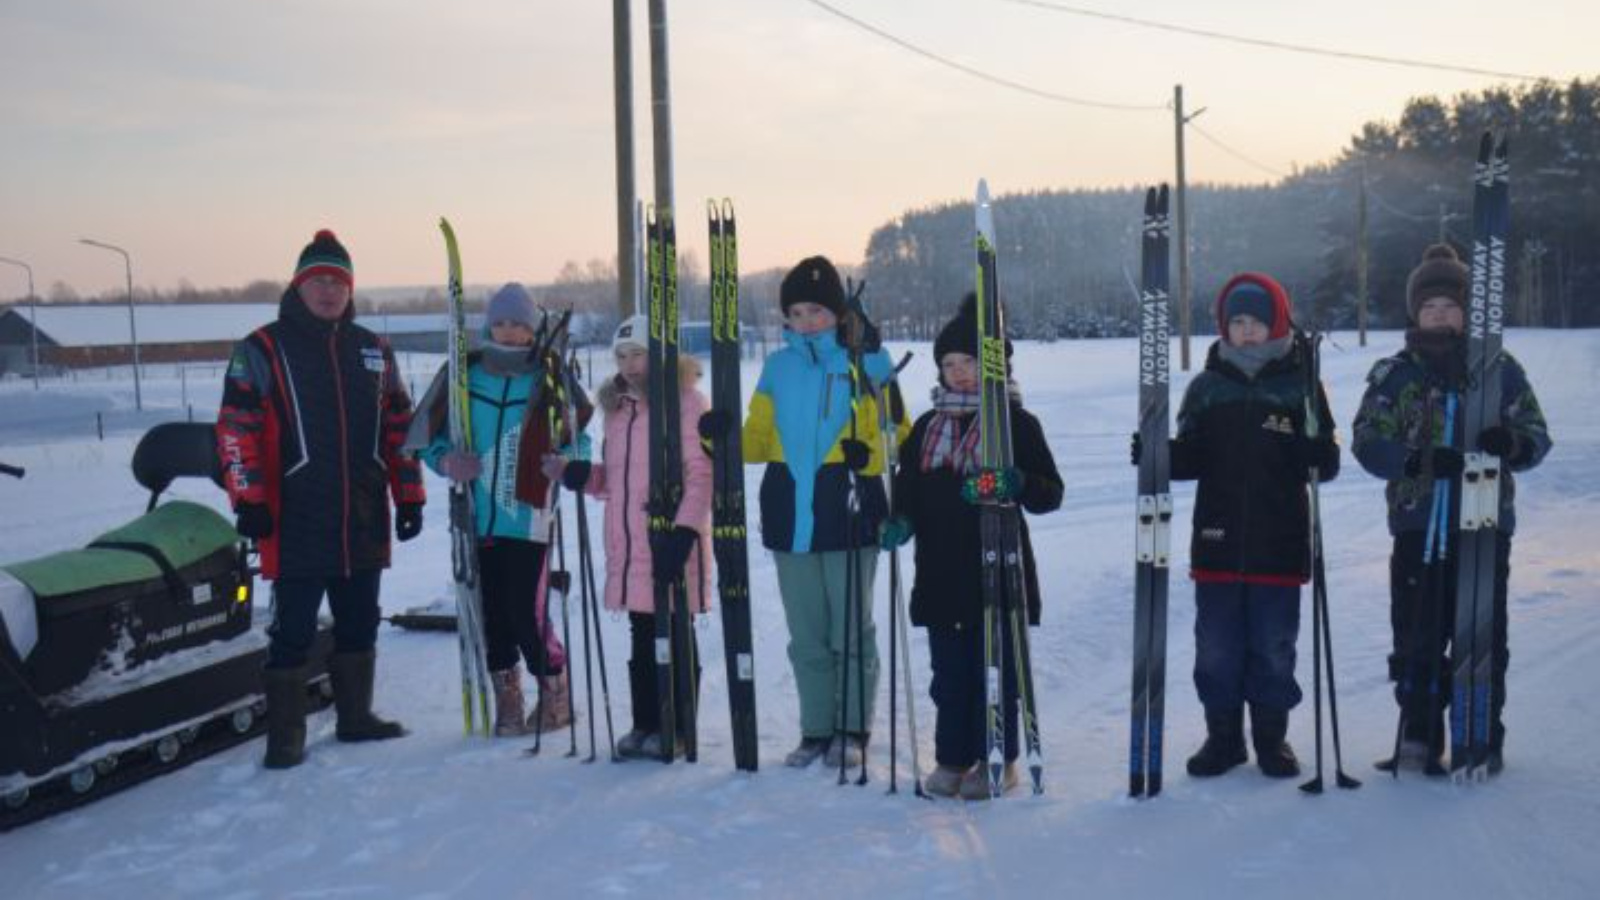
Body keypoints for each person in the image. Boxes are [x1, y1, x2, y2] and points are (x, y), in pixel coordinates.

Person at [217, 229, 426, 769]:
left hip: (362, 515)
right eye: (319, 281)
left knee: (361, 622)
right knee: (293, 632)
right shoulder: (262, 348)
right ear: (299, 286)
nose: (329, 291)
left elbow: (400, 427)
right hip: (294, 518)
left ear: (350, 289)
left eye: (339, 281)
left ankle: (356, 718)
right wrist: (249, 499)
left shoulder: (373, 350)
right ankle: (285, 739)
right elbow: (235, 429)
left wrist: (409, 496)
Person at [1352, 244, 1551, 775]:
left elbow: (1536, 435)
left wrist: (1509, 443)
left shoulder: (1500, 369)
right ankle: (1417, 731)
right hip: (1420, 523)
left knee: (1481, 632)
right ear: (1414, 312)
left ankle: (1481, 730)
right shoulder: (1395, 373)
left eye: (1450, 305)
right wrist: (1417, 460)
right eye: (1429, 306)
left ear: (1470, 311)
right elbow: (1369, 441)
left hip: (1484, 523)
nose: (1440, 314)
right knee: (1417, 630)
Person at [1141, 272, 1339, 780]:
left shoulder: (1300, 383)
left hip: (1280, 541)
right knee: (1217, 648)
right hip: (1218, 542)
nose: (1246, 331)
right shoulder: (1207, 387)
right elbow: (1189, 458)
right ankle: (1223, 739)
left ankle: (1272, 739)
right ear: (1224, 329)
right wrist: (1157, 456)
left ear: (1275, 323)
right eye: (1237, 322)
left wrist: (1316, 453)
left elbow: (1327, 464)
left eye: (1256, 322)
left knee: (1273, 647)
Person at [880, 295, 1062, 799]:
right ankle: (952, 758)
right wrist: (897, 519)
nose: (958, 373)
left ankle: (997, 757)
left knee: (996, 672)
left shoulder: (1015, 424)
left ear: (992, 365)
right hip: (939, 574)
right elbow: (909, 492)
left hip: (996, 573)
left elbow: (1051, 493)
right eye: (949, 365)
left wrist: (1014, 481)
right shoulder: (925, 428)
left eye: (968, 363)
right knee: (950, 675)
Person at [732, 256, 904, 769]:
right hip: (790, 514)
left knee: (850, 629)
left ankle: (852, 728)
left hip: (848, 508)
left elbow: (899, 439)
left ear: (839, 312)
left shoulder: (868, 361)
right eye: (797, 312)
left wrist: (866, 452)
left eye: (818, 310)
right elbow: (757, 444)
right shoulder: (777, 367)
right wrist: (719, 437)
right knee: (805, 633)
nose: (807, 321)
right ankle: (816, 730)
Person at [412, 283, 586, 737]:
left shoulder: (550, 375)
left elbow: (579, 436)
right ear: (489, 325)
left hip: (528, 515)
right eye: (501, 323)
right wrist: (447, 460)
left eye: (520, 324)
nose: (509, 332)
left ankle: (556, 693)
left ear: (533, 330)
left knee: (525, 611)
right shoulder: (465, 373)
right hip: (477, 517)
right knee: (489, 613)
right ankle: (508, 695)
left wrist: (566, 463)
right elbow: (426, 439)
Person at [542, 314, 711, 759]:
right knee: (641, 637)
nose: (629, 364)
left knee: (674, 630)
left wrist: (684, 531)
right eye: (621, 356)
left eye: (638, 353)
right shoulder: (618, 410)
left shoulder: (688, 403)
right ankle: (645, 723)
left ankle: (677, 723)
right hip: (630, 542)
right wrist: (581, 475)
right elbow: (616, 481)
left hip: (670, 539)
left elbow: (702, 475)